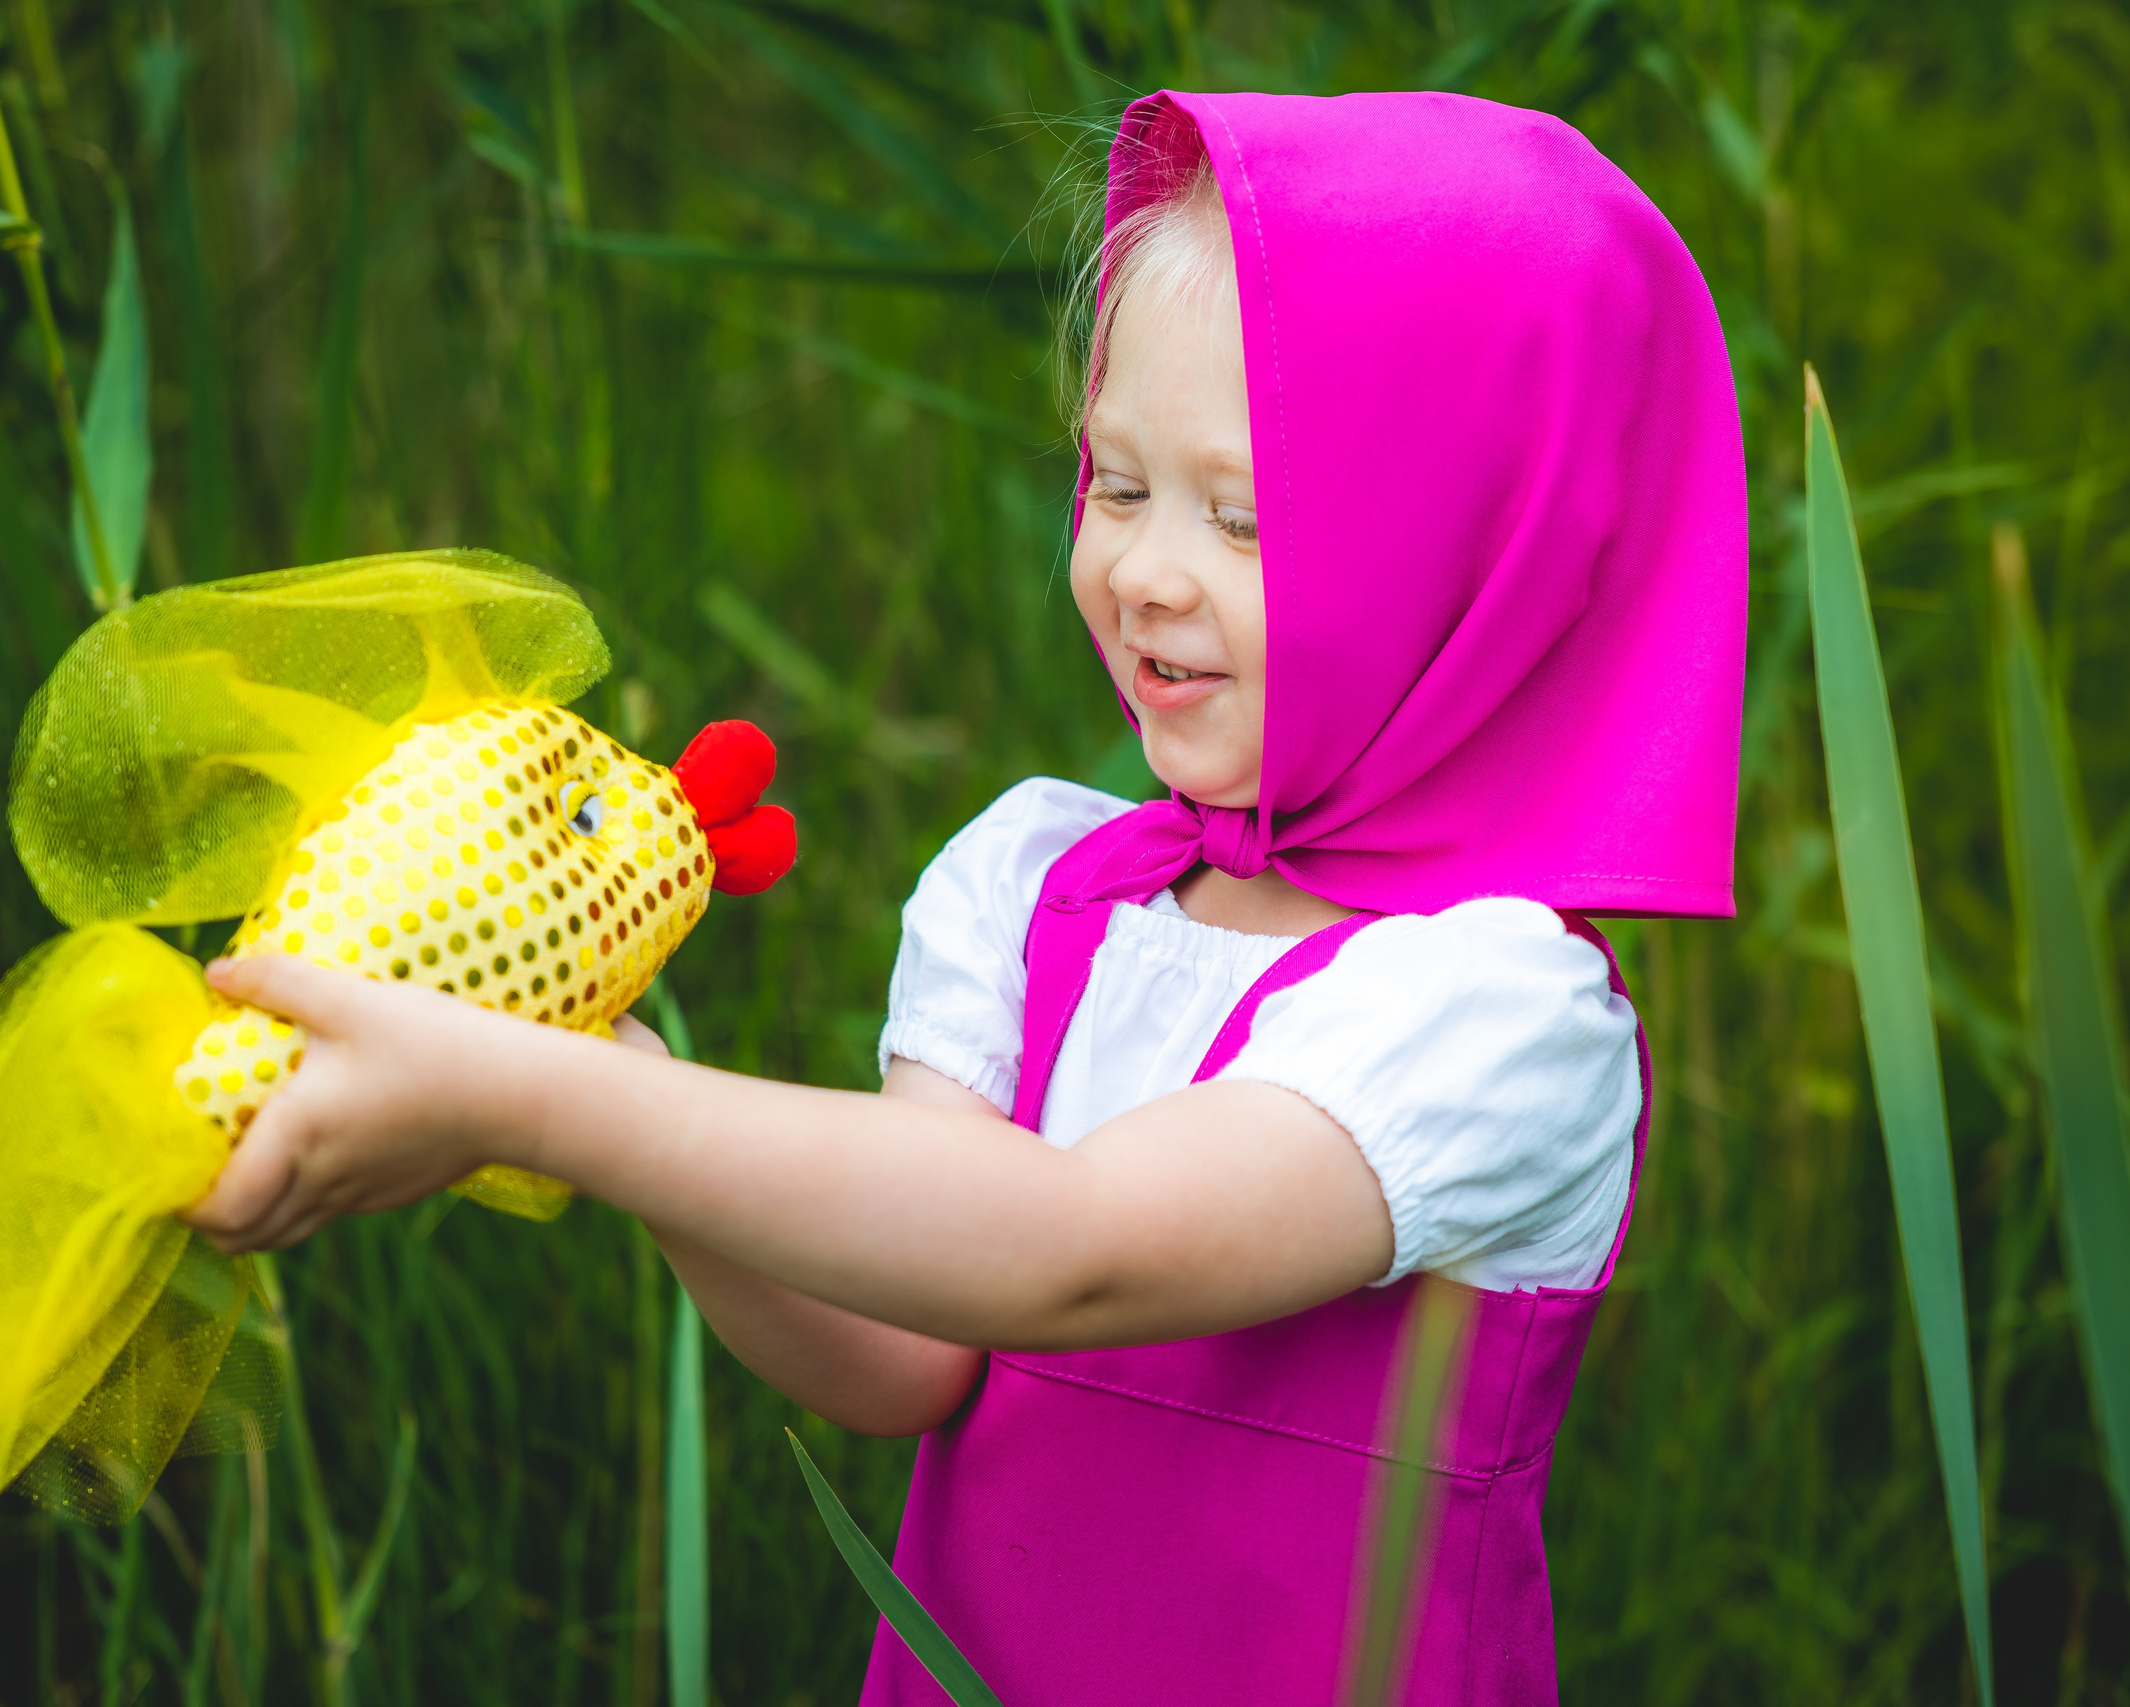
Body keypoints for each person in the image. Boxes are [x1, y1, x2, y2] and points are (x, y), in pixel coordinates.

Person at [187, 89, 1746, 1705]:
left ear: (1480, 567)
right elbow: (911, 1348)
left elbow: (1072, 1253)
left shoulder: (1497, 1013)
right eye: (1119, 483)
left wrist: (537, 1100)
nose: (1143, 570)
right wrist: (634, 1093)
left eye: (1244, 517)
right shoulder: (1038, 887)